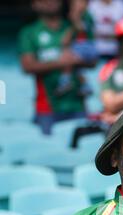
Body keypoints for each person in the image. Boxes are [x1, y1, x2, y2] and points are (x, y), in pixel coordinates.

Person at [18, 0, 94, 135]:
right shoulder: (29, 32)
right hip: (47, 108)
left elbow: (92, 60)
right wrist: (61, 62)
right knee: (45, 152)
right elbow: (27, 66)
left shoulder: (75, 26)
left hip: (77, 105)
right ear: (34, 4)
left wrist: (77, 16)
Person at [55, 0, 97, 97]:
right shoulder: (78, 16)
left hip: (87, 46)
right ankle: (85, 86)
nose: (77, 5)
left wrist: (74, 17)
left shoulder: (86, 15)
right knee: (78, 69)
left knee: (67, 57)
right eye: (74, 3)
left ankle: (65, 81)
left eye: (80, 2)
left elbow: (80, 28)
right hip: (82, 46)